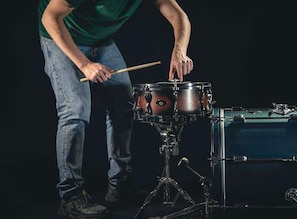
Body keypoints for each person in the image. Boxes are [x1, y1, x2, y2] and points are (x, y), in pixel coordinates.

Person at [38, 0, 194, 218]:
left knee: (124, 107)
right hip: (62, 34)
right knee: (74, 112)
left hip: (101, 40)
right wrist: (84, 64)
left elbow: (177, 13)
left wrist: (180, 50)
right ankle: (70, 195)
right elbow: (50, 17)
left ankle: (119, 185)